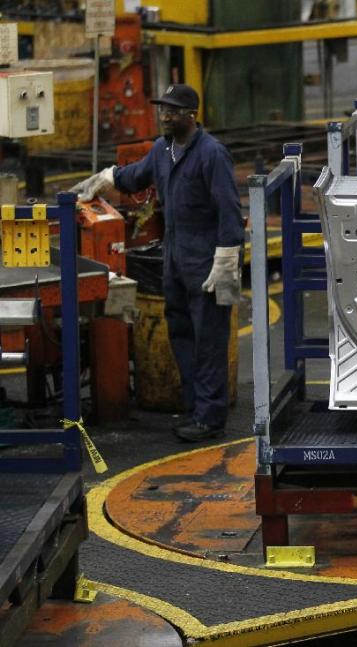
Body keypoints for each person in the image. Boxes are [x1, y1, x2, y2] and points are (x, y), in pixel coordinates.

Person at [72, 83, 243, 442]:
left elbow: (229, 210)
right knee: (182, 336)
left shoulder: (212, 154)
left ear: (191, 115)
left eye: (173, 110)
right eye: (162, 109)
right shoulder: (162, 150)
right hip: (175, 264)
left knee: (209, 341)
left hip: (206, 266)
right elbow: (134, 176)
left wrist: (227, 260)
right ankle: (196, 408)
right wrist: (104, 179)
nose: (165, 115)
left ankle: (211, 419)